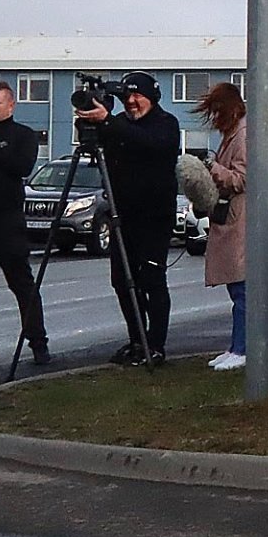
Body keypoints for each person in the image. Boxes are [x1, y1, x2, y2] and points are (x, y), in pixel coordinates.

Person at [76, 71, 180, 366]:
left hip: (154, 217)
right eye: (127, 97)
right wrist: (89, 121)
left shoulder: (166, 124)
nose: (132, 102)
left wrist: (107, 122)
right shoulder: (117, 123)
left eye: (138, 96)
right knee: (122, 281)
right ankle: (138, 341)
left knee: (152, 280)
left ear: (152, 96)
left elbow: (151, 144)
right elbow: (102, 143)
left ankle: (155, 345)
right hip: (122, 216)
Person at [0, 81, 51, 364]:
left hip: (6, 221)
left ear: (11, 104)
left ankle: (38, 344)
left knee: (22, 284)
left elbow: (22, 167)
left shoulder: (22, 135)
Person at [192, 83, 247, 372]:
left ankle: (243, 348)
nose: (213, 119)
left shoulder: (242, 136)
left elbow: (242, 179)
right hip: (231, 219)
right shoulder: (232, 135)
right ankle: (236, 346)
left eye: (216, 112)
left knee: (242, 289)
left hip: (240, 220)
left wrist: (212, 168)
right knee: (237, 289)